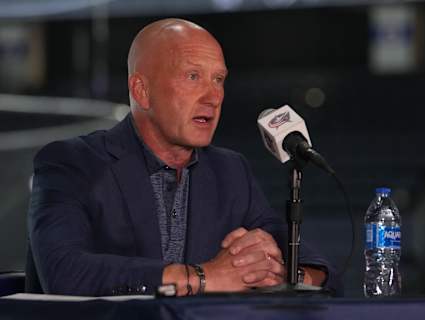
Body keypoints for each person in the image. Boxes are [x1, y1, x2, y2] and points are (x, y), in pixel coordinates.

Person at [27, 18, 339, 296]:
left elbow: (312, 264)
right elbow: (65, 271)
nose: (213, 96)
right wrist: (204, 278)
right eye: (192, 76)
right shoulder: (71, 163)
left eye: (218, 79)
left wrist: (284, 274)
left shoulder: (230, 171)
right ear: (141, 91)